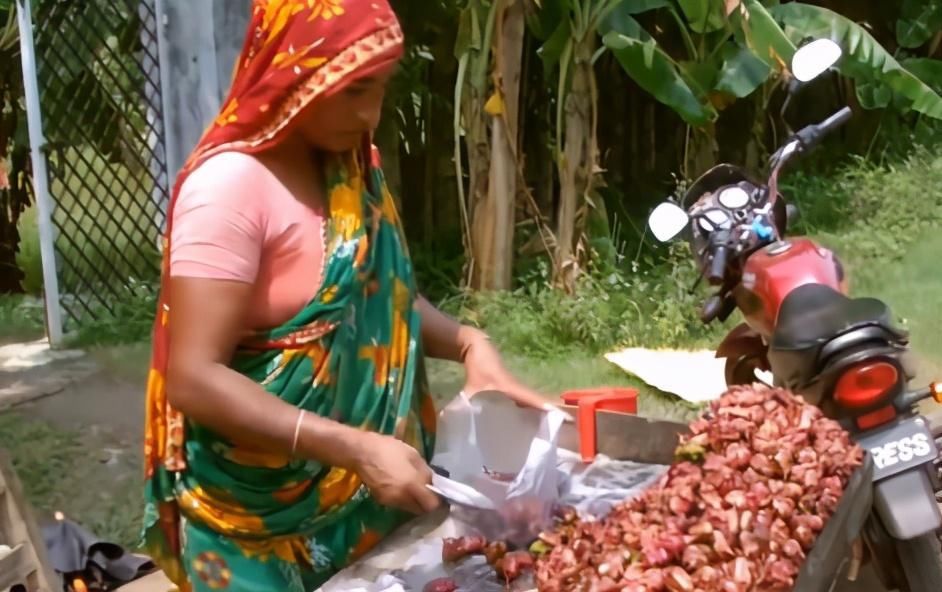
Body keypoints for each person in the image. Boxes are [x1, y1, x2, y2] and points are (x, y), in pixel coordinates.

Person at [141, 1, 552, 590]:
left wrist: (468, 344)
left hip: (364, 503)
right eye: (354, 90)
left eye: (381, 89)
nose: (371, 115)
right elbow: (193, 377)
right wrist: (354, 448)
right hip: (257, 524)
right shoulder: (228, 189)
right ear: (293, 72)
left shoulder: (351, 171)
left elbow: (376, 302)